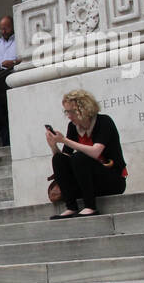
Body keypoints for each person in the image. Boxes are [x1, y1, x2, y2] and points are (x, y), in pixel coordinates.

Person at [47, 88, 127, 219]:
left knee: (80, 157)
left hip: (112, 180)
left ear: (85, 109)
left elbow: (96, 152)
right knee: (58, 159)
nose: (69, 116)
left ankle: (90, 206)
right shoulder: (73, 127)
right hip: (86, 182)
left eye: (72, 111)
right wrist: (54, 146)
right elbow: (66, 157)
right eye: (66, 112)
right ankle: (71, 207)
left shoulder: (104, 122)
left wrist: (65, 140)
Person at [0, 15, 21, 147]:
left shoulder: (19, 41)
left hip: (13, 79)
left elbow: (25, 57)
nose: (3, 31)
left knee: (15, 114)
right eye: (1, 29)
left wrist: (12, 62)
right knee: (2, 116)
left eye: (6, 28)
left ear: (12, 27)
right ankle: (7, 144)